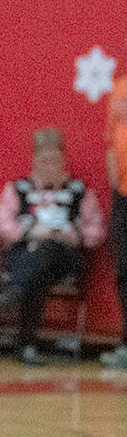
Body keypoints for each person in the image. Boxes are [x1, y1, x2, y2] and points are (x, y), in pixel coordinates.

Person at [0, 129, 103, 366]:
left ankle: (12, 293)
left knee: (48, 250)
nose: (49, 165)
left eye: (54, 159)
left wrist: (76, 235)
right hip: (27, 252)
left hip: (64, 256)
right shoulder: (18, 189)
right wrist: (30, 231)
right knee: (38, 269)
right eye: (44, 160)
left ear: (63, 160)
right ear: (34, 160)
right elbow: (1, 226)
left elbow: (97, 231)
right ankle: (27, 346)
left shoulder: (78, 191)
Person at [102, 73, 127, 369]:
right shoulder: (119, 89)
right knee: (124, 269)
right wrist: (115, 189)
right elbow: (110, 139)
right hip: (122, 195)